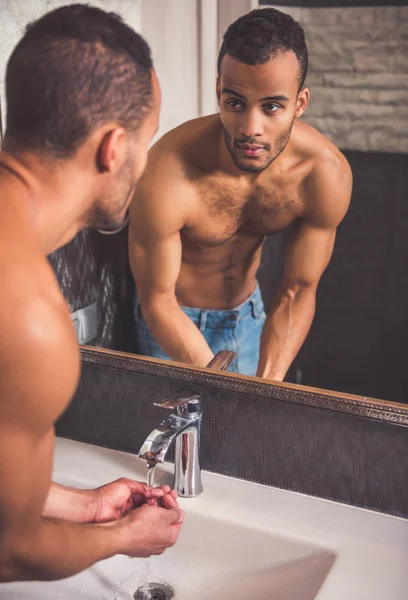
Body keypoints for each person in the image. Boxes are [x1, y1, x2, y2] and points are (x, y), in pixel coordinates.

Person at [0, 4, 184, 584]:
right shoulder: (28, 315)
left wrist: (80, 505)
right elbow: (11, 551)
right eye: (146, 141)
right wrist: (121, 537)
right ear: (112, 148)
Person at [129, 7, 352, 379]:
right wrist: (223, 382)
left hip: (250, 320)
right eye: (235, 103)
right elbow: (157, 300)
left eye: (271, 107)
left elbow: (298, 290)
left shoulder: (323, 174)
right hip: (171, 324)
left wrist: (267, 385)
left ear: (299, 103)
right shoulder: (166, 173)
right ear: (219, 91)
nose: (251, 128)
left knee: (251, 429)